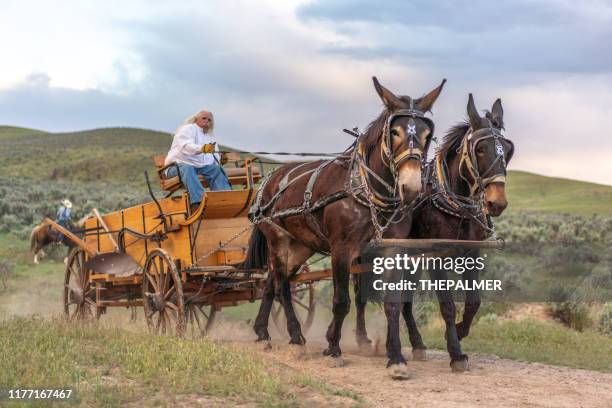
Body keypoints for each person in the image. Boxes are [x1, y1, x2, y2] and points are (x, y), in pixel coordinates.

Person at [164, 110, 231, 208]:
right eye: (204, 118)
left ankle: (224, 199)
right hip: (175, 167)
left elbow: (214, 156)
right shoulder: (188, 129)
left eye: (209, 120)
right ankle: (198, 202)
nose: (207, 121)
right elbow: (186, 147)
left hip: (199, 168)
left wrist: (220, 159)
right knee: (188, 168)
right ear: (196, 120)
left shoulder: (210, 137)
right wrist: (202, 148)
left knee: (216, 169)